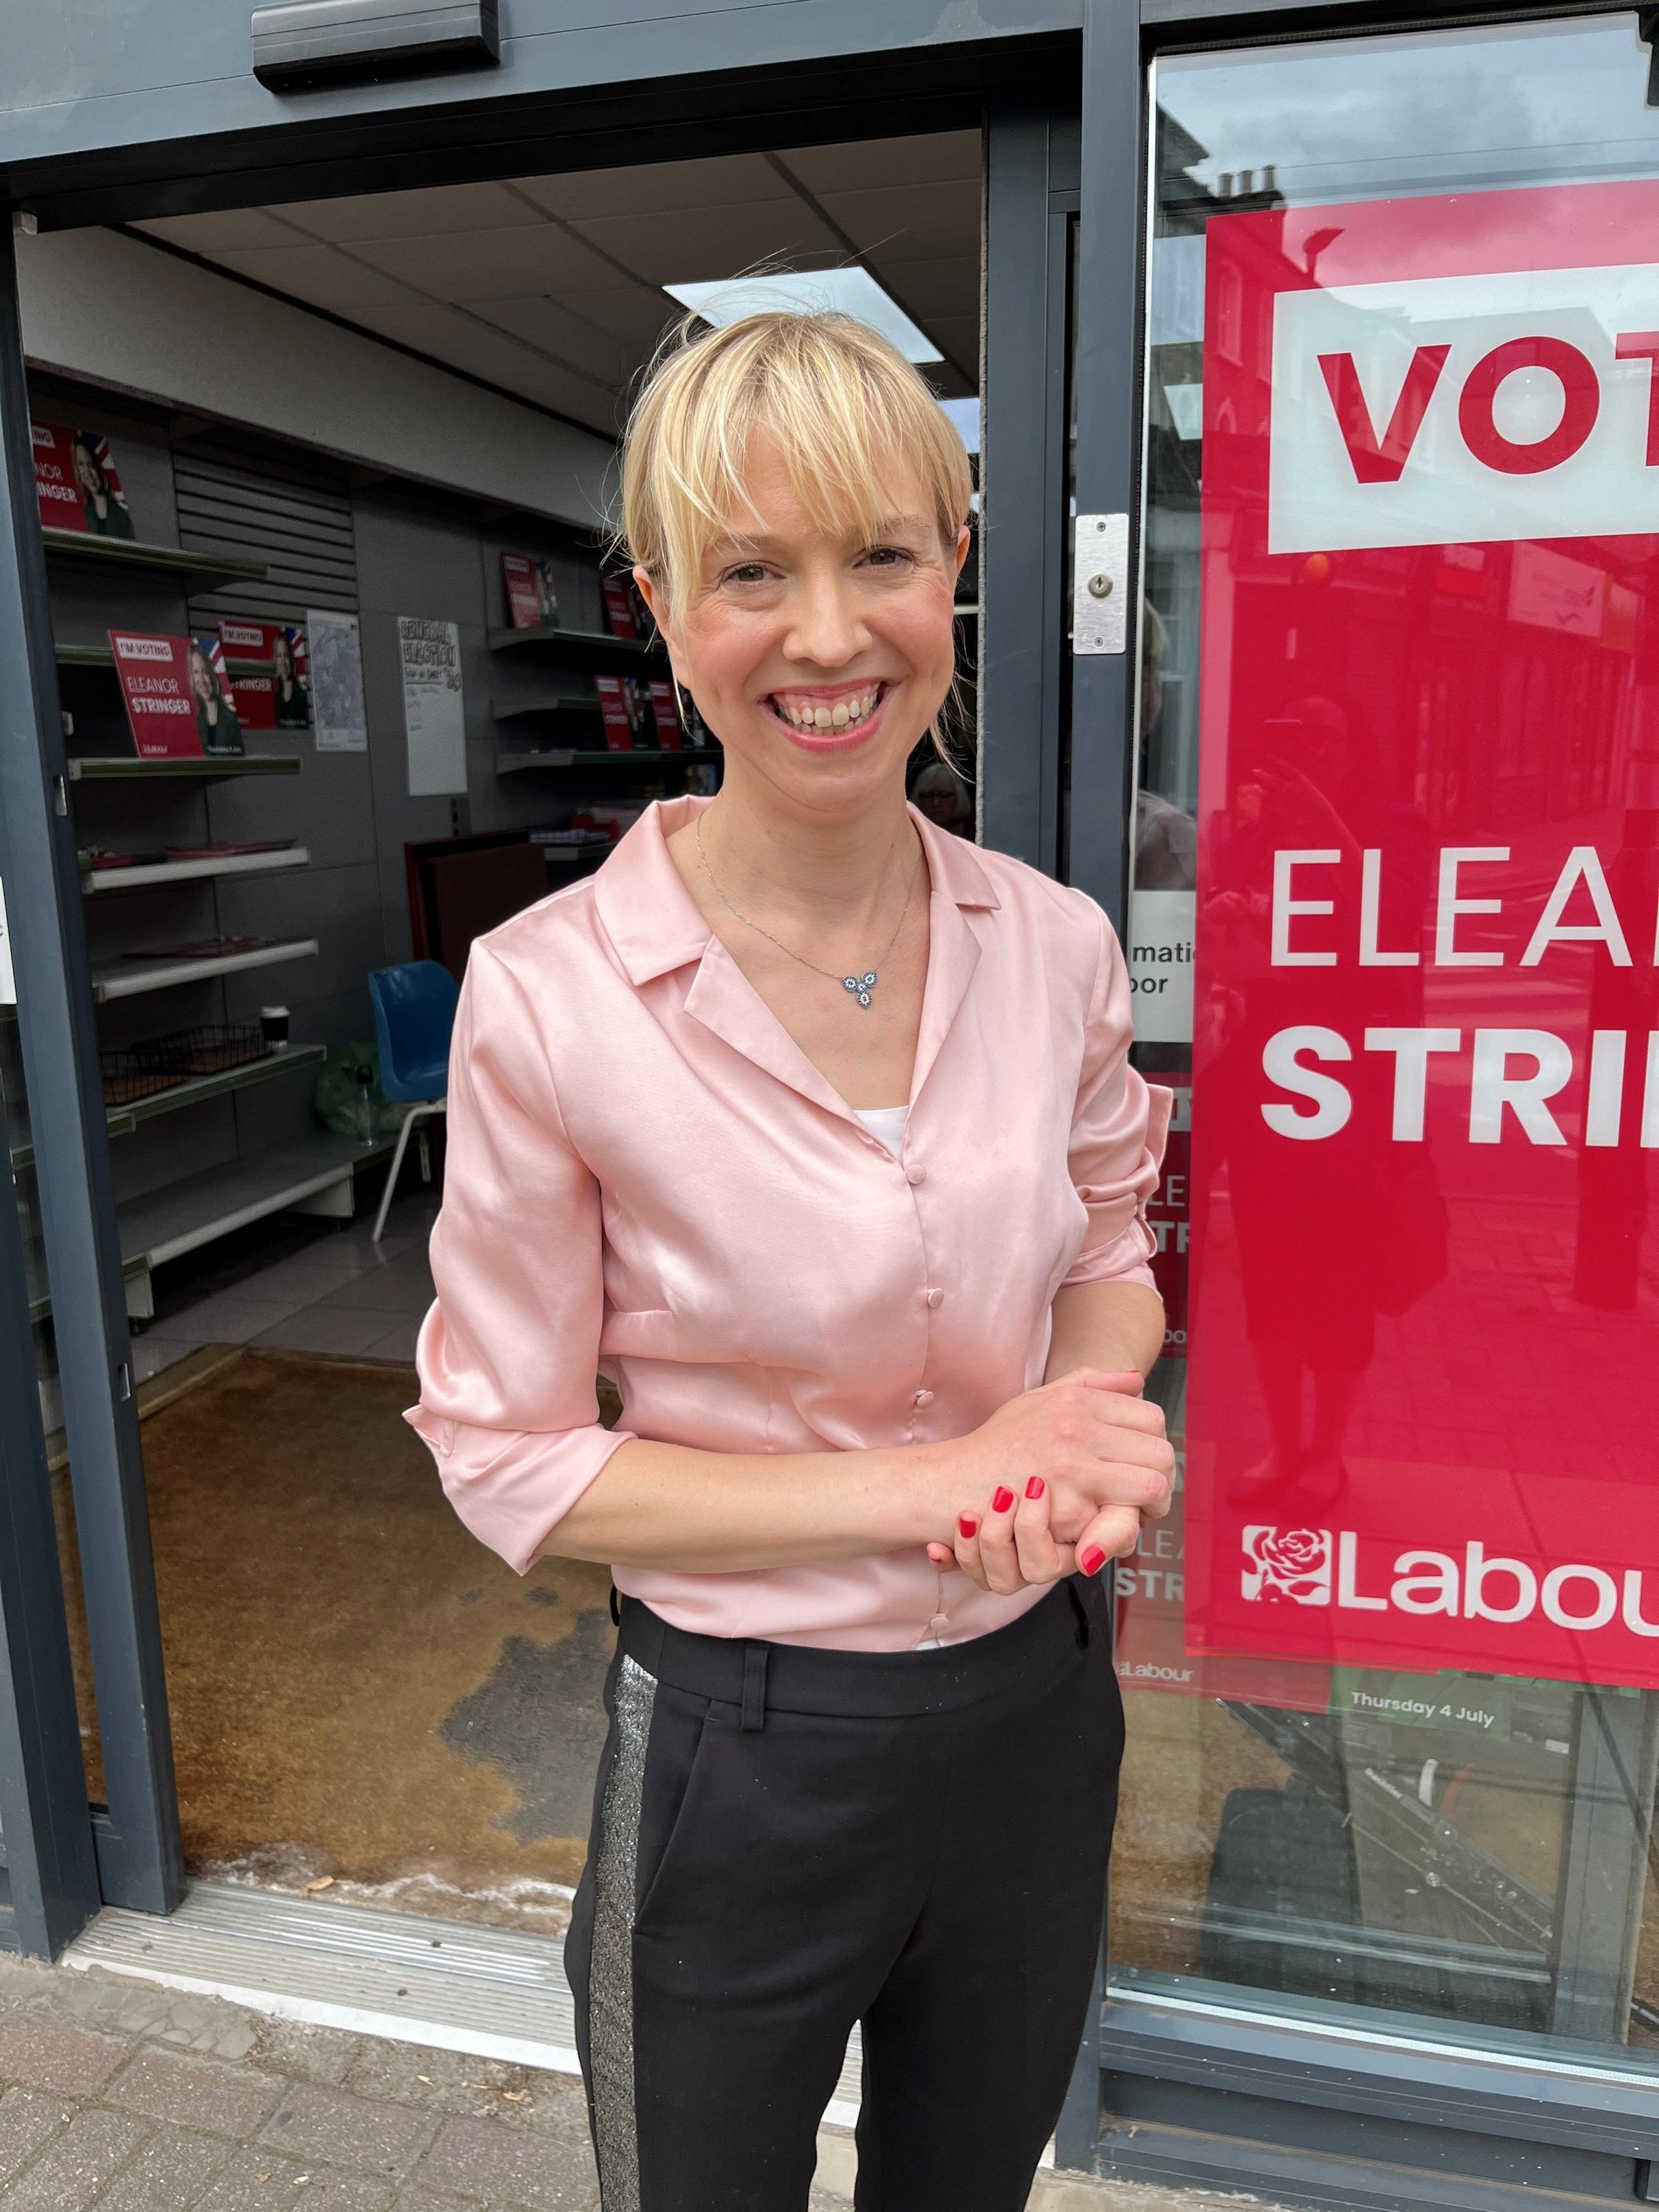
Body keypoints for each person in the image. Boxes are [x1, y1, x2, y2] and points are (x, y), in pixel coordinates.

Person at [405, 309, 1173, 2212]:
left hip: (1032, 1713)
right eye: (754, 572)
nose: (827, 636)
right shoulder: (552, 999)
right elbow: (508, 1451)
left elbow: (1108, 1244)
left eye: (880, 558)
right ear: (666, 609)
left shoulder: (1058, 947)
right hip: (738, 1757)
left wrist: (1078, 1420)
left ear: (954, 571)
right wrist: (940, 1478)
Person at [72, 432, 135, 539]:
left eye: (91, 464)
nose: (87, 473)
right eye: (81, 464)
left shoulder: (121, 513)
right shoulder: (87, 511)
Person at [187, 640, 242, 755]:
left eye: (205, 672)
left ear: (213, 674)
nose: (202, 680)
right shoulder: (194, 723)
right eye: (196, 672)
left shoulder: (232, 719)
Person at [272, 628, 310, 729]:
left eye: (286, 656)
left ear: (292, 659)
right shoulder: (276, 698)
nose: (283, 662)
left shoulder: (304, 697)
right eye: (279, 656)